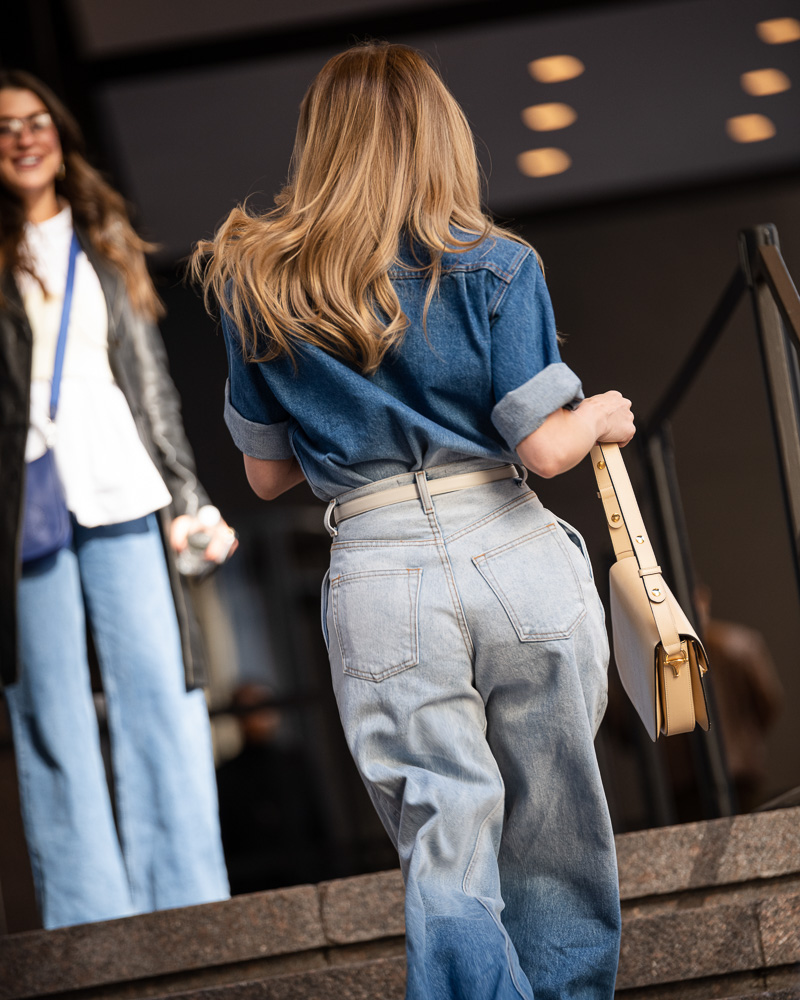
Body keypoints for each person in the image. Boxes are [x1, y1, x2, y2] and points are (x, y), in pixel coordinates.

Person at [194, 43, 635, 1000]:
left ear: (320, 144)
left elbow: (266, 476)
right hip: (509, 548)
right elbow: (547, 451)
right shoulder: (498, 265)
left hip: (380, 569)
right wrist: (600, 413)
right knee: (554, 821)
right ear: (443, 138)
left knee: (447, 834)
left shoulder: (255, 279)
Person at [0, 70, 232, 929]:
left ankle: (187, 908)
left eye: (37, 123)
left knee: (161, 695)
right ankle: (89, 921)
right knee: (50, 713)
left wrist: (186, 493)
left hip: (122, 487)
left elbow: (150, 383)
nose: (24, 138)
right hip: (25, 504)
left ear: (59, 137)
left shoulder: (103, 241)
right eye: (5, 129)